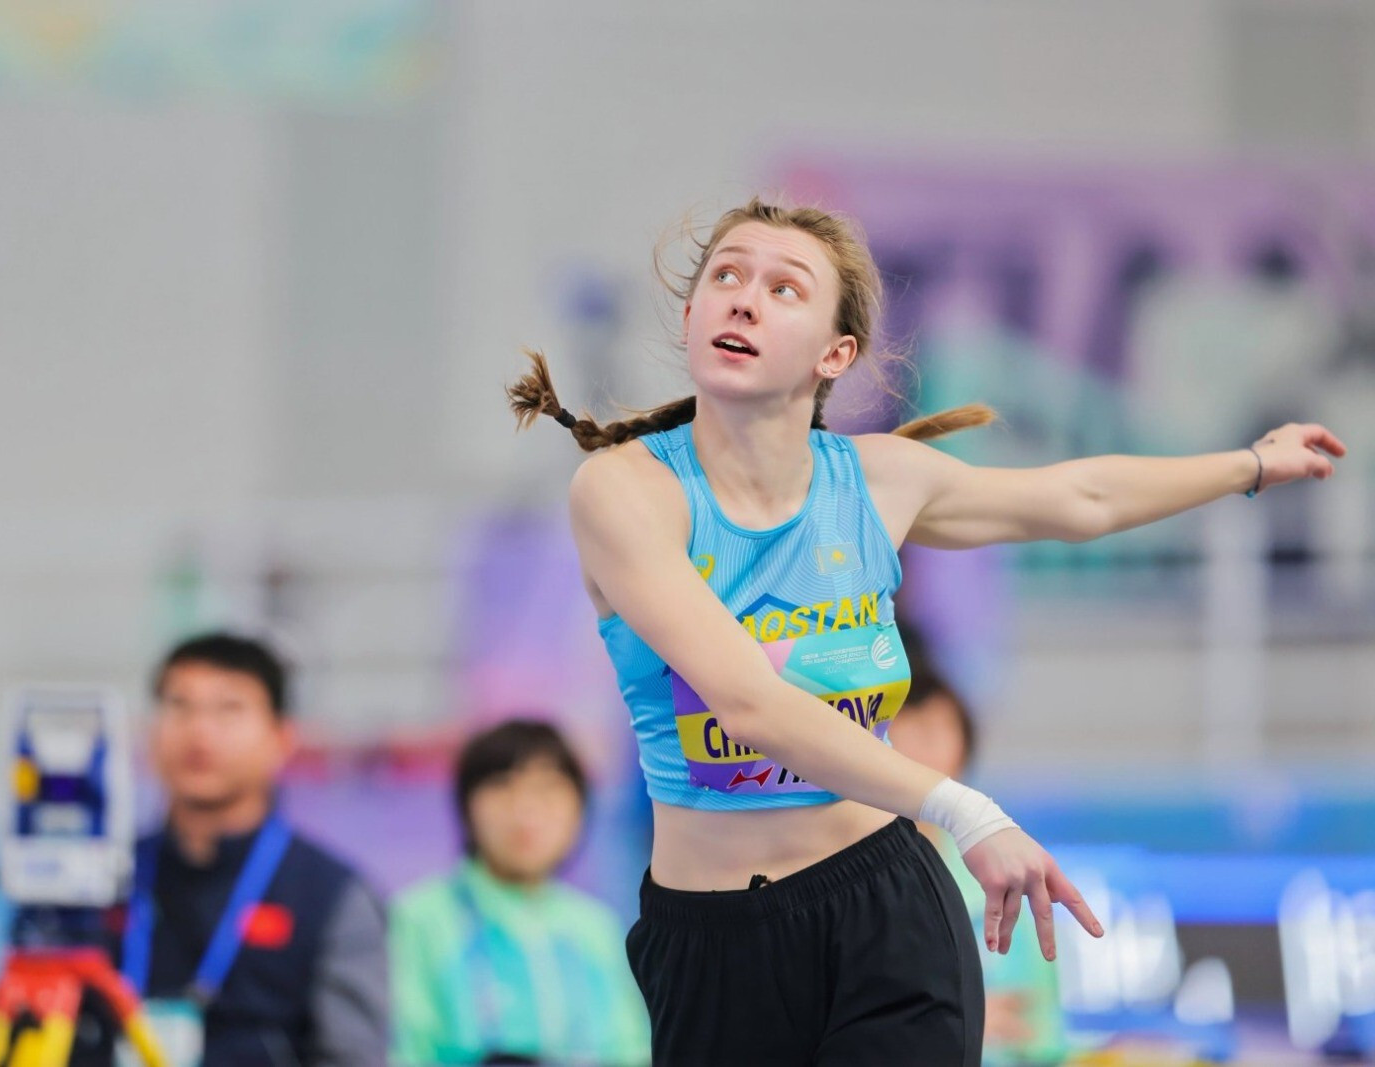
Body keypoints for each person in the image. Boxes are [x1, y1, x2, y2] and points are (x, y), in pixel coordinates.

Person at [506, 196, 1344, 1065]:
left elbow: (1080, 498)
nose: (745, 299)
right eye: (727, 276)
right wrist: (963, 808)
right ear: (691, 316)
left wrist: (1251, 464)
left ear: (836, 354)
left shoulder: (878, 482)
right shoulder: (625, 491)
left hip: (886, 913)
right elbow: (749, 704)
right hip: (712, 943)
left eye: (784, 288)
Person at [71, 632, 389, 1067]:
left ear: (281, 738)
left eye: (229, 708)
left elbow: (354, 1055)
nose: (199, 730)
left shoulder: (330, 895)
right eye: (179, 706)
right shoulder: (96, 880)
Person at [390, 719, 652, 1066]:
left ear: (580, 808)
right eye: (502, 786)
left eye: (547, 789)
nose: (526, 810)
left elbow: (630, 1051)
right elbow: (404, 1051)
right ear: (466, 806)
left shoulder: (595, 927)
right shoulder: (421, 919)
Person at [889, 665, 1067, 1066]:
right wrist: (958, 1024)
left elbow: (1039, 1031)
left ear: (963, 747)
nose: (919, 748)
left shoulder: (1003, 878)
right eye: (906, 728)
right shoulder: (853, 873)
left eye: (934, 731)